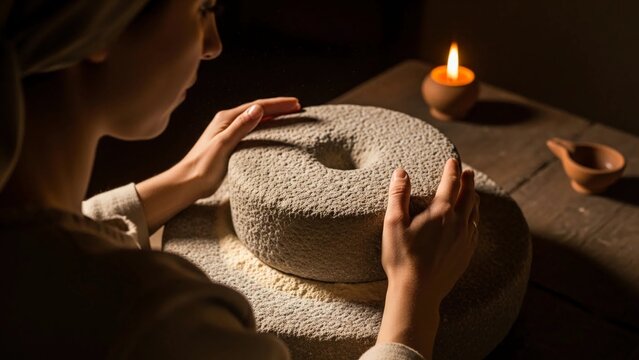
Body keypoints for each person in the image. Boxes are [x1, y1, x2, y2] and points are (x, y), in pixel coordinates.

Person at [0, 0, 479, 359]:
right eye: (201, 9)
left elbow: (47, 251)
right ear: (101, 25)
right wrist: (414, 302)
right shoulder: (154, 319)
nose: (213, 45)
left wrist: (182, 180)